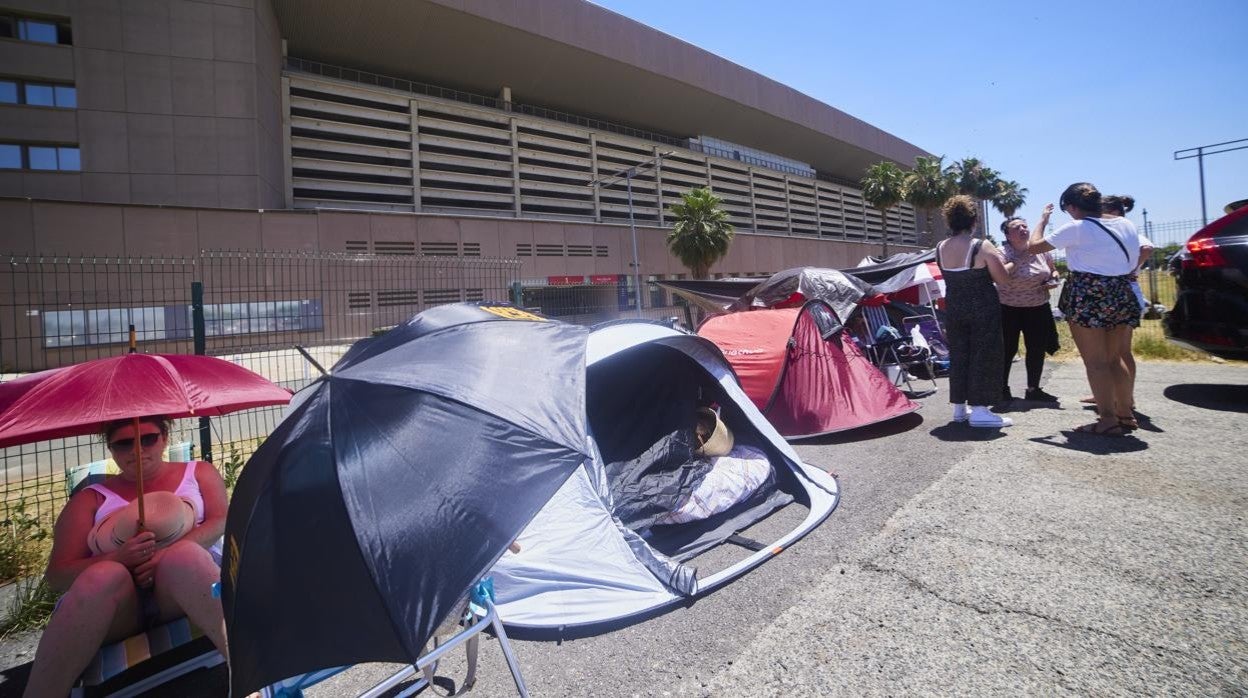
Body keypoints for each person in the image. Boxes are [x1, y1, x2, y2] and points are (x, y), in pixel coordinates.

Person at [23, 416, 229, 698]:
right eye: (124, 443)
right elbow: (57, 575)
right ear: (110, 448)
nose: (137, 450)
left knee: (184, 556)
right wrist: (119, 557)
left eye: (148, 439)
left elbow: (220, 520)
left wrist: (162, 556)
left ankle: (251, 675)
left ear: (165, 438)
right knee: (103, 575)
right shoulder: (90, 499)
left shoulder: (198, 472)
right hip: (120, 608)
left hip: (184, 589)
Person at [1027, 183, 1141, 436]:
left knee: (1096, 362)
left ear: (1072, 206)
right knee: (1114, 358)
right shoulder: (1126, 224)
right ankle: (1125, 414)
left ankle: (1107, 420)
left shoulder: (1078, 227)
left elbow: (1033, 246)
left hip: (1088, 293)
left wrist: (1043, 220)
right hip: (1121, 292)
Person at [936, 195, 1014, 428]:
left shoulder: (940, 247)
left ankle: (960, 409)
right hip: (982, 308)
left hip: (955, 308)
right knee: (985, 355)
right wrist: (1012, 264)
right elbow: (1002, 279)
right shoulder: (981, 245)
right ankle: (980, 410)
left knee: (960, 356)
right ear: (974, 221)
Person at [1079, 194, 1151, 416]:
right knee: (1111, 354)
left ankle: (1125, 401)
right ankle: (1112, 396)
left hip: (1120, 296)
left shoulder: (1125, 230)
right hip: (1119, 295)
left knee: (1120, 352)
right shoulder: (1117, 232)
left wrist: (1129, 270)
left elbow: (1147, 248)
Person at [997, 204, 1061, 403]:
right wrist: (1020, 258)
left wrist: (1054, 278)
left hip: (1037, 307)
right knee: (1007, 349)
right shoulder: (1001, 252)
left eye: (1025, 226)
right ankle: (1001, 389)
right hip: (1008, 308)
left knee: (1036, 348)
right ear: (1008, 235)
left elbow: (1053, 270)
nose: (1023, 229)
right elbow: (1001, 275)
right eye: (1017, 228)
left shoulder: (1040, 250)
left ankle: (1033, 389)